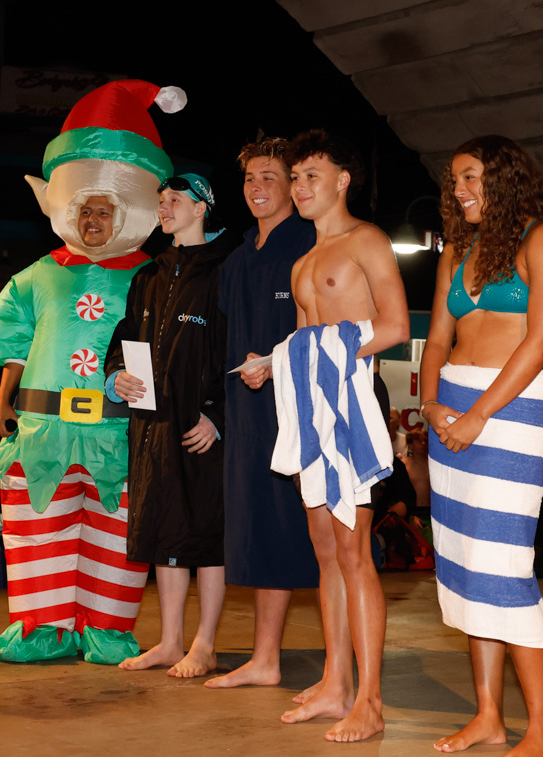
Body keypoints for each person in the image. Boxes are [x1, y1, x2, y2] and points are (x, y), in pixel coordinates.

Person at [0, 79, 185, 664]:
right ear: (68, 211)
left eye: (105, 210)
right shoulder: (35, 277)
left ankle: (106, 627)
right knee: (37, 527)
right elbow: (13, 341)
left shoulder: (155, 277)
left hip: (120, 433)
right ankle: (39, 627)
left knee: (118, 535)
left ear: (126, 212)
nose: (94, 220)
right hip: (42, 429)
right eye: (85, 210)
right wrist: (3, 401)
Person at [420, 135, 543, 757]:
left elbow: (540, 343)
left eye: (469, 177)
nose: (457, 190)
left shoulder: (542, 240)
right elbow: (437, 337)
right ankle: (489, 715)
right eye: (453, 180)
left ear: (504, 177)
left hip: (510, 412)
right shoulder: (458, 249)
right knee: (465, 566)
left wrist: (477, 416)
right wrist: (434, 405)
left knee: (504, 566)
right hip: (452, 411)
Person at [275, 129, 409, 742]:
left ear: (342, 179)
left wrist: (331, 348)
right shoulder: (302, 260)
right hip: (312, 410)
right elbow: (301, 344)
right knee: (325, 549)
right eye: (295, 177)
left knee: (355, 553)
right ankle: (336, 684)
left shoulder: (368, 239)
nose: (299, 188)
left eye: (311, 175)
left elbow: (395, 325)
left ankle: (372, 701)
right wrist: (270, 360)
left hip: (352, 403)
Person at [204, 137, 320, 690]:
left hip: (299, 411)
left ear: (295, 186)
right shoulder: (236, 256)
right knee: (253, 532)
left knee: (300, 533)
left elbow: (333, 329)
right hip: (246, 416)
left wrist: (278, 361)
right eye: (251, 177)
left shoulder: (312, 243)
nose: (258, 187)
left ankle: (308, 663)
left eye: (270, 176)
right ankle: (265, 657)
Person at [106, 172, 230, 678]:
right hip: (152, 426)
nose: (163, 207)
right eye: (160, 201)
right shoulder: (148, 276)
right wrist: (116, 376)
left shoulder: (226, 270)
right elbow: (124, 337)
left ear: (201, 208)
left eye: (174, 200)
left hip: (201, 427)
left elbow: (240, 348)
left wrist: (219, 415)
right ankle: (170, 640)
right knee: (165, 529)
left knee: (207, 534)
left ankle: (205, 644)